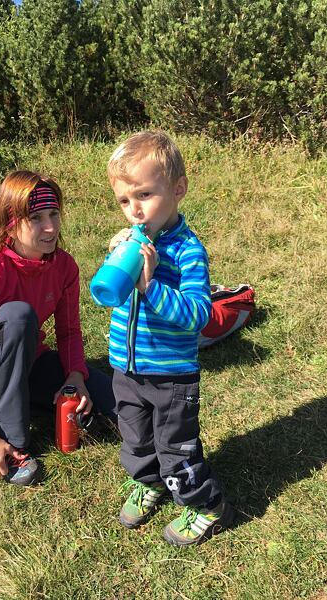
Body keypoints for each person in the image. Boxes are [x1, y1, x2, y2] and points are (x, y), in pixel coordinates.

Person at [0, 170, 116, 486]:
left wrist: (76, 375)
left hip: (30, 360)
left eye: (54, 214)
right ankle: (11, 444)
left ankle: (28, 400)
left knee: (117, 404)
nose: (50, 227)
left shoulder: (63, 266)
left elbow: (69, 331)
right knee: (19, 316)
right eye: (36, 218)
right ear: (11, 221)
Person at [105, 131, 234, 546]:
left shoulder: (187, 252)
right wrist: (115, 263)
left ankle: (205, 504)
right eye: (125, 201)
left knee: (175, 446)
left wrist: (150, 287)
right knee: (135, 438)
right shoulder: (134, 243)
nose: (134, 209)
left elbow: (198, 315)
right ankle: (150, 482)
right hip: (127, 368)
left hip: (171, 376)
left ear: (177, 190)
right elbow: (113, 298)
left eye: (144, 194)